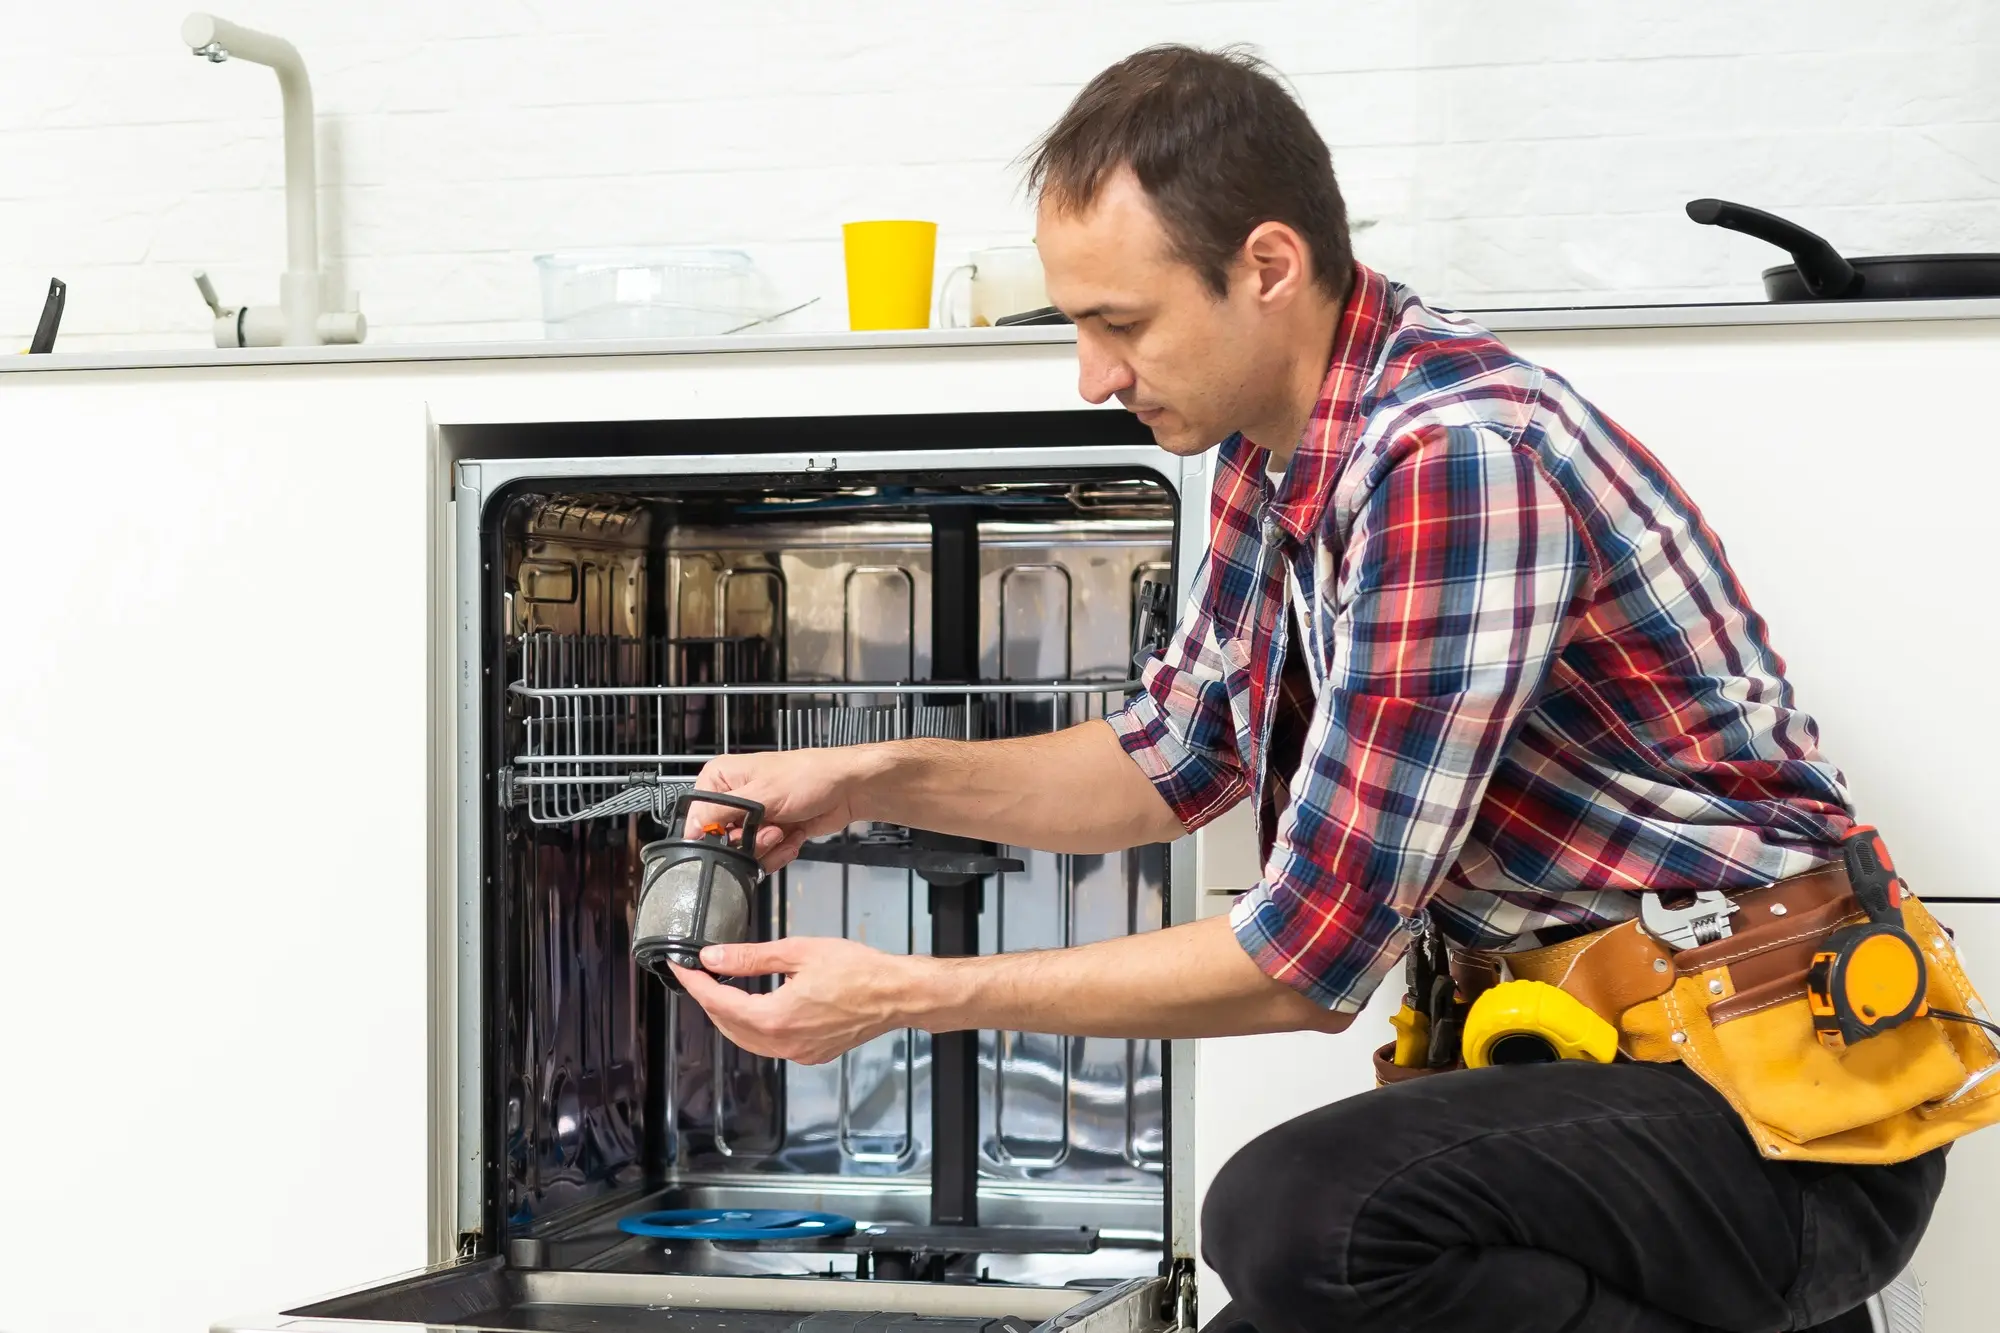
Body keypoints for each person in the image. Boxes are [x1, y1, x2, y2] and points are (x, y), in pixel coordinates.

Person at [670, 44, 1941, 1333]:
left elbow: (1305, 963)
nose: (1093, 376)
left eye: (1122, 323)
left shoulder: (1454, 462)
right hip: (1587, 1072)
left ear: (1268, 267)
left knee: (1295, 1220)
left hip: (1776, 1117)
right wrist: (872, 779)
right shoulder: (1269, 453)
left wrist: (909, 997)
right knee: (1286, 1278)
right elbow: (1173, 759)